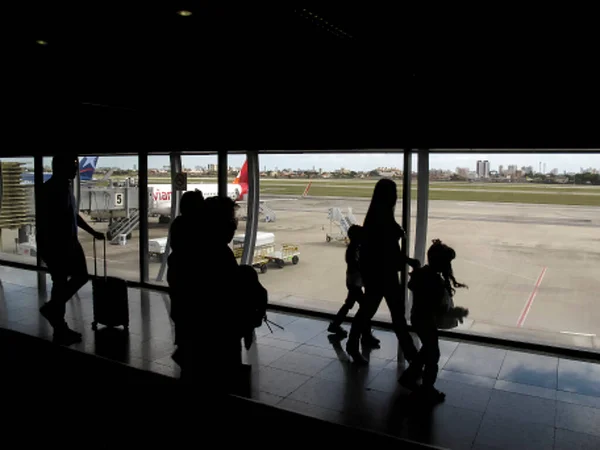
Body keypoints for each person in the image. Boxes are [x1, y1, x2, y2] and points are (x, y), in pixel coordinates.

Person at [346, 178, 421, 365]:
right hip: (384, 274)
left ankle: (353, 344)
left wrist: (406, 260)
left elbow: (386, 248)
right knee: (392, 315)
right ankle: (411, 355)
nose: (396, 196)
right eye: (393, 192)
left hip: (378, 273)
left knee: (370, 312)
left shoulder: (376, 216)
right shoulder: (382, 217)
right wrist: (407, 260)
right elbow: (388, 249)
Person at [37, 154, 105, 345]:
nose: (76, 169)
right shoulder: (54, 189)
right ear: (61, 167)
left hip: (64, 243)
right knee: (74, 279)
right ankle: (56, 318)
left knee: (61, 284)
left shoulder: (61, 187)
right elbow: (53, 222)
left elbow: (72, 215)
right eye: (72, 166)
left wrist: (92, 231)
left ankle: (58, 324)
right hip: (61, 245)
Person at [400, 239, 469, 403]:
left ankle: (409, 376)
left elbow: (414, 288)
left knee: (427, 351)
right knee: (433, 355)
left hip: (418, 318)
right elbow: (437, 309)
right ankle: (427, 387)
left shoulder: (423, 274)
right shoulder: (435, 281)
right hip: (426, 321)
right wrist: (455, 312)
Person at [167, 189, 205, 368]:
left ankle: (184, 350)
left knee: (181, 313)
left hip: (176, 272)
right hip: (188, 276)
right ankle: (188, 354)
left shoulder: (177, 223)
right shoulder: (197, 225)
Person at [327, 225, 379, 347]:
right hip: (355, 283)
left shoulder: (354, 248)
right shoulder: (353, 250)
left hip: (353, 282)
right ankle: (366, 336)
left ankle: (335, 325)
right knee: (365, 309)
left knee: (349, 304)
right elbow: (357, 267)